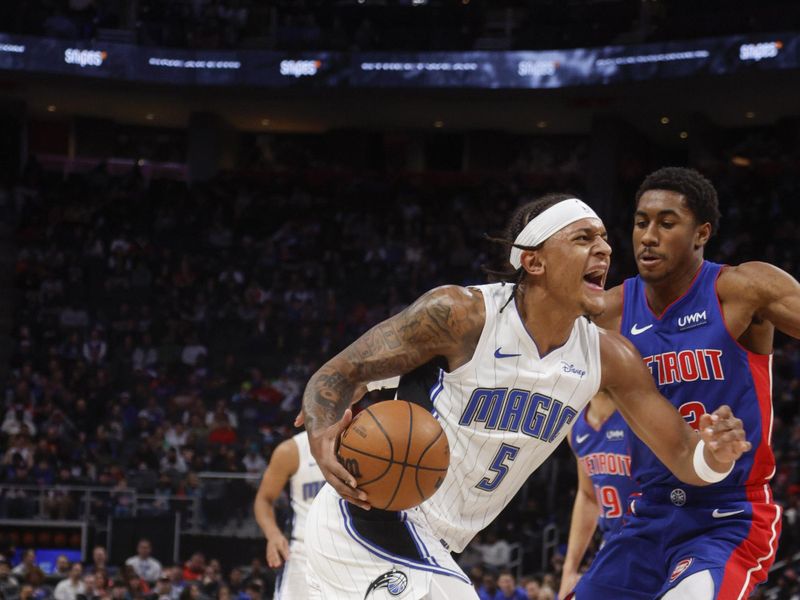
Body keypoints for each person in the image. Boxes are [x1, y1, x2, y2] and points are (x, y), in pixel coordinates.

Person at [300, 194, 750, 599]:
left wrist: (716, 454)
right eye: (583, 237)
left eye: (605, 239)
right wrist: (321, 429)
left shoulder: (609, 357)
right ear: (534, 262)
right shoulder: (459, 315)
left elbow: (686, 456)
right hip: (370, 515)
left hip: (435, 540)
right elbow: (338, 373)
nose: (606, 248)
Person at [571, 167, 800, 599]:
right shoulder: (611, 310)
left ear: (701, 233)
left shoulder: (743, 289)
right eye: (641, 222)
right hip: (648, 512)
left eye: (667, 223)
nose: (648, 236)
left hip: (729, 514)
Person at [557, 392, 637, 598]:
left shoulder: (638, 414)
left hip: (649, 537)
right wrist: (570, 569)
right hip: (612, 543)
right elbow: (588, 496)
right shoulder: (575, 426)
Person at [253, 430, 325, 599]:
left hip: (352, 548)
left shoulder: (364, 443)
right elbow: (264, 499)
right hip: (303, 552)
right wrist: (273, 535)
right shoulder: (292, 450)